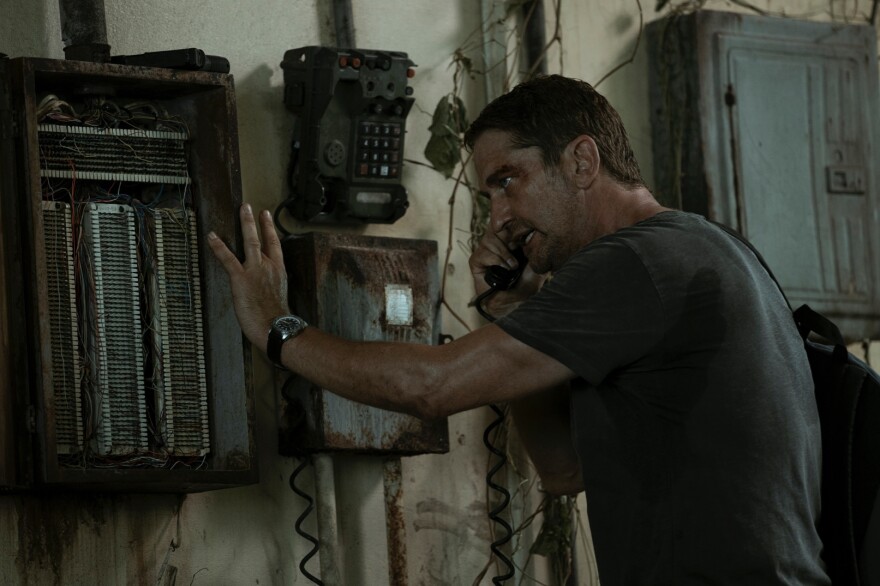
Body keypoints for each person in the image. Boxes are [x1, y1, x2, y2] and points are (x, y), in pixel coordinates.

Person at [208, 75, 829, 585]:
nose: (499, 217)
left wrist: (279, 331)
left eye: (508, 180)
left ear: (582, 160)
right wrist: (513, 313)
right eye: (488, 196)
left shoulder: (636, 260)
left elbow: (434, 387)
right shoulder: (700, 247)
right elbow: (562, 471)